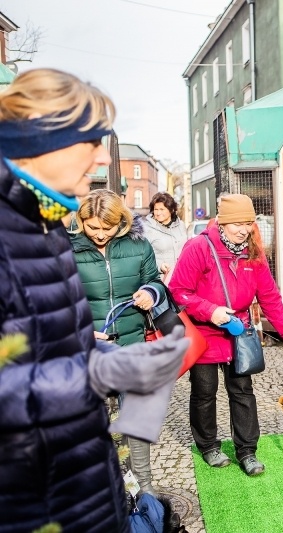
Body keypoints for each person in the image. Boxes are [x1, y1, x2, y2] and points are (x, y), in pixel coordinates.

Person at [0, 68, 187, 532]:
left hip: (78, 482)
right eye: (91, 140)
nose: (103, 155)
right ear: (43, 139)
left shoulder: (43, 228)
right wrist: (99, 370)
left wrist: (112, 357)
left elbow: (45, 346)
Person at [169, 194, 283, 476]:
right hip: (203, 334)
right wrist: (210, 310)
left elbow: (269, 296)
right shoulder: (198, 247)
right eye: (237, 224)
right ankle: (208, 446)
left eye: (248, 223)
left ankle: (247, 451)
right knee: (204, 392)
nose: (244, 230)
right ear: (222, 222)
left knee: (242, 391)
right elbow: (178, 292)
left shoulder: (254, 252)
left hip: (238, 333)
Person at [70, 188, 168, 496]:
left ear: (121, 222)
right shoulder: (65, 249)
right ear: (81, 221)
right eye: (92, 227)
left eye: (107, 228)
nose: (100, 234)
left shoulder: (139, 245)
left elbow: (155, 281)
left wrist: (151, 293)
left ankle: (144, 488)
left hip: (131, 343)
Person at [143, 191, 188, 283]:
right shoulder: (147, 229)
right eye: (156, 209)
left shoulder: (181, 226)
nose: (158, 213)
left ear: (171, 210)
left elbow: (187, 249)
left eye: (162, 209)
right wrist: (160, 265)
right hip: (162, 280)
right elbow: (143, 257)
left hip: (184, 278)